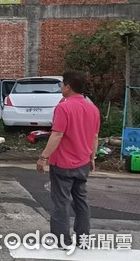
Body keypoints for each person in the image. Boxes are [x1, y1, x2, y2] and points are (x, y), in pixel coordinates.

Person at [36, 71, 100, 248]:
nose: (61, 87)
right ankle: (83, 239)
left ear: (68, 86)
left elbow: (57, 134)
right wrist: (92, 158)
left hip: (63, 163)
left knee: (61, 202)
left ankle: (62, 240)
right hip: (83, 163)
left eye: (62, 84)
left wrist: (43, 157)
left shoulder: (64, 107)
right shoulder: (93, 109)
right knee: (81, 202)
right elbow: (95, 137)